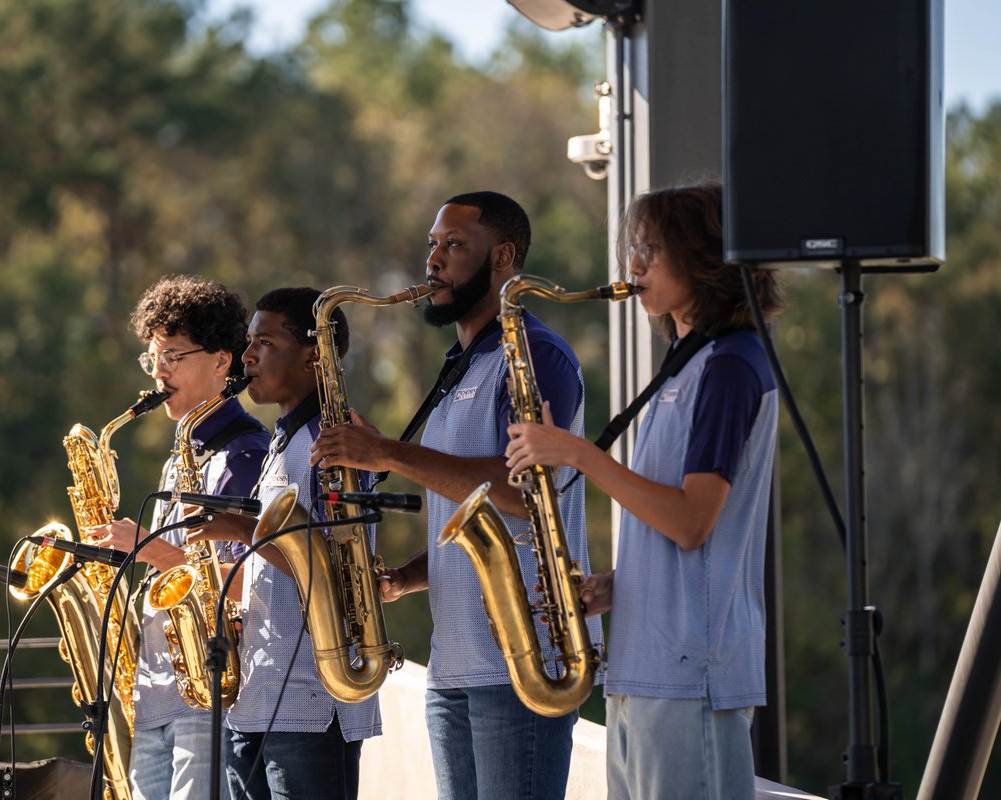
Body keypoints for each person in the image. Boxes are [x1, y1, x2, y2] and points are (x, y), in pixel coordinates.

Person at [309, 191, 602, 800]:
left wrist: (387, 452)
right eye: (432, 246)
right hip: (456, 663)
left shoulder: (534, 354)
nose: (433, 262)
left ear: (503, 258)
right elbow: (466, 503)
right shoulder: (459, 364)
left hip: (521, 660)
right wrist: (408, 577)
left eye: (453, 247)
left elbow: (523, 495)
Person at [505, 182, 785, 800]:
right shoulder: (689, 362)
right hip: (649, 671)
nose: (632, 266)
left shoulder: (729, 365)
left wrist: (576, 452)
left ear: (704, 259)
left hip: (688, 675)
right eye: (633, 247)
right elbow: (681, 534)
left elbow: (692, 521)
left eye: (651, 250)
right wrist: (620, 585)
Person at [193, 287, 381, 800]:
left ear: (312, 355)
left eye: (265, 343)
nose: (248, 355)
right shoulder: (286, 437)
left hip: (312, 703)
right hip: (259, 693)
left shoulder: (332, 438)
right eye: (249, 342)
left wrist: (237, 529)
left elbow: (334, 562)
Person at [90, 275, 270, 800]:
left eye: (173, 355)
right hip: (157, 691)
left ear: (221, 361)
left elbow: (251, 586)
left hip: (208, 693)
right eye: (152, 359)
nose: (159, 372)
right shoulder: (183, 452)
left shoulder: (244, 455)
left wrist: (151, 550)